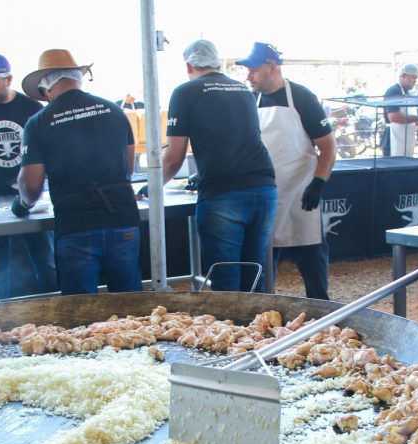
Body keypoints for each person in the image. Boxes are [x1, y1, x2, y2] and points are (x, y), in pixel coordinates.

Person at [17, 49, 142, 296]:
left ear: (47, 85)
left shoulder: (39, 122)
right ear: (78, 77)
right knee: (132, 310)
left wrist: (22, 203)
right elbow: (127, 167)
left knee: (81, 313)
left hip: (77, 225)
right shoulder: (115, 111)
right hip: (122, 218)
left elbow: (31, 185)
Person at [161, 39, 277, 293]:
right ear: (216, 63)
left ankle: (233, 329)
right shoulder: (242, 89)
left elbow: (173, 157)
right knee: (254, 276)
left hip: (224, 192)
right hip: (264, 188)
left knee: (226, 281)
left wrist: (154, 185)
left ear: (189, 66)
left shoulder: (185, 92)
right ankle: (261, 330)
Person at [236, 42, 335, 300]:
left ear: (272, 67)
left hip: (301, 196)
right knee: (264, 275)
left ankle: (322, 317)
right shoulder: (250, 101)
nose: (249, 76)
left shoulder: (302, 97)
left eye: (254, 70)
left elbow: (328, 146)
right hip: (265, 197)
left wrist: (319, 183)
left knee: (313, 270)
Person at [0, 52, 56, 299]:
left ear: (9, 79)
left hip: (33, 196)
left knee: (45, 259)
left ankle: (55, 311)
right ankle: (0, 318)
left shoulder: (33, 108)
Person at [383, 64, 418, 157]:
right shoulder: (393, 91)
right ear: (403, 76)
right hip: (393, 137)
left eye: (416, 78)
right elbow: (394, 117)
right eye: (413, 77)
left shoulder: (407, 93)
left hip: (406, 137)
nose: (415, 80)